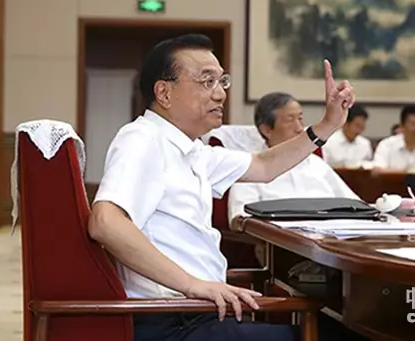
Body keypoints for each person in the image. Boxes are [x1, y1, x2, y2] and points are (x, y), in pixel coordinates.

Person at [87, 34, 355, 341]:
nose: (220, 94)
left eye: (222, 81)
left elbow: (264, 166)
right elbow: (106, 222)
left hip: (199, 315)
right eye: (207, 81)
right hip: (172, 321)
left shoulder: (192, 150)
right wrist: (191, 284)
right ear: (164, 92)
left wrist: (327, 125)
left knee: (338, 329)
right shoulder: (143, 139)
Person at [228, 92, 360, 229]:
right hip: (281, 238)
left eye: (300, 119)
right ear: (266, 129)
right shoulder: (250, 168)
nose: (299, 128)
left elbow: (355, 204)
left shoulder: (317, 163)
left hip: (334, 234)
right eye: (290, 120)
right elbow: (241, 219)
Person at [372, 105, 415, 173]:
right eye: (412, 124)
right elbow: (377, 171)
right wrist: (408, 172)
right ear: (402, 126)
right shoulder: (386, 144)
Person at [323, 103, 373, 168]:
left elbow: (369, 165)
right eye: (357, 126)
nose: (359, 131)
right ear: (345, 124)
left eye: (362, 127)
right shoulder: (328, 142)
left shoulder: (365, 144)